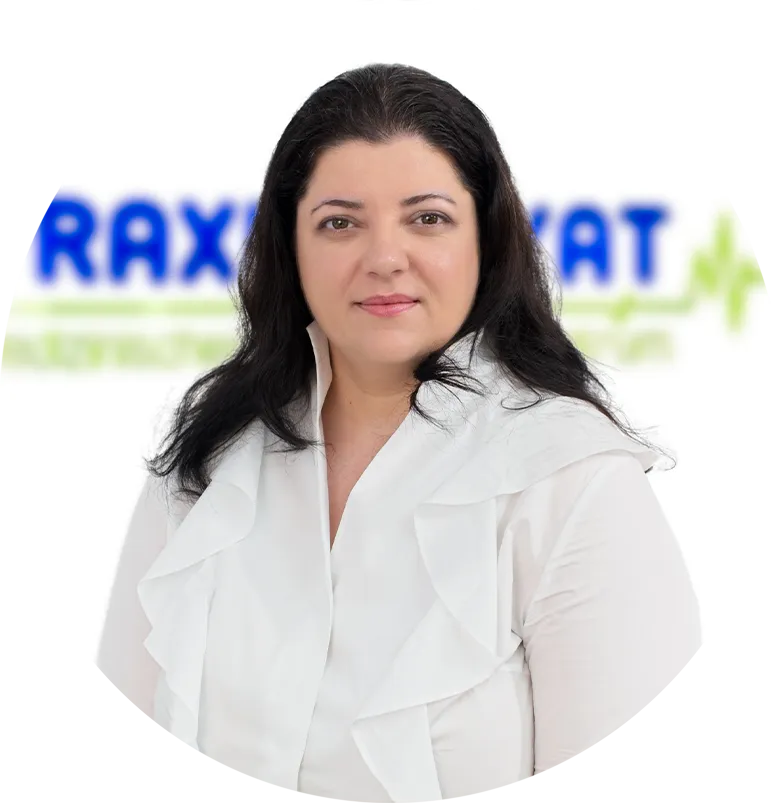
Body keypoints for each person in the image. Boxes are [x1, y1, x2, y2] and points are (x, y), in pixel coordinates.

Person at [95, 63, 704, 803]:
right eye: (340, 222)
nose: (384, 258)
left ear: (487, 240)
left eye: (428, 218)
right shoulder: (207, 463)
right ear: (291, 247)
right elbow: (115, 758)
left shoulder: (571, 479)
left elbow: (636, 787)